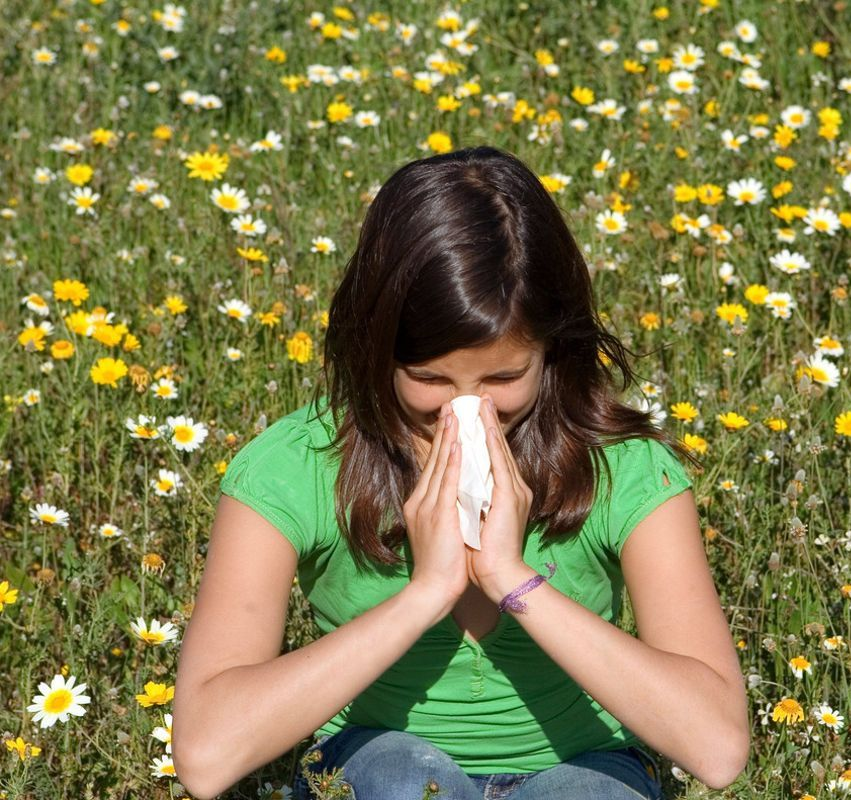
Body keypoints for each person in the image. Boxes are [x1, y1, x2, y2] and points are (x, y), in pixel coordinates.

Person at [173, 146, 750, 800]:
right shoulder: (297, 464)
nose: (467, 410)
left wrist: (512, 577)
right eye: (428, 379)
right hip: (376, 761)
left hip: (585, 764)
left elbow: (718, 745)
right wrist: (427, 592)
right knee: (402, 782)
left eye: (504, 377)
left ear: (553, 350)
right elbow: (205, 754)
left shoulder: (624, 465)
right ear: (374, 351)